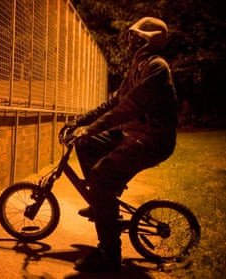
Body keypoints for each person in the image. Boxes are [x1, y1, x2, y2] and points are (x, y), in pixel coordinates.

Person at [59, 17, 178, 272]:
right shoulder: (139, 65)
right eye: (131, 37)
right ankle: (103, 201)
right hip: (133, 134)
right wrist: (80, 122)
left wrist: (90, 128)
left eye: (137, 38)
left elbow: (128, 107)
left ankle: (109, 254)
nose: (130, 42)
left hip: (153, 140)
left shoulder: (157, 68)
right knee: (87, 144)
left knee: (101, 179)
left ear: (149, 41)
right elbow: (114, 101)